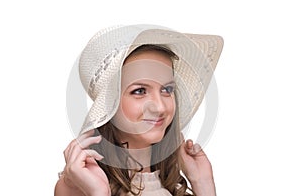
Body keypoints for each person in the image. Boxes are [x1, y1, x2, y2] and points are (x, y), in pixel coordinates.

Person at [55, 24, 223, 196]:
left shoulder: (171, 188)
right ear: (108, 104)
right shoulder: (78, 185)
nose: (160, 107)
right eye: (140, 91)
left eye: (167, 90)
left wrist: (203, 184)